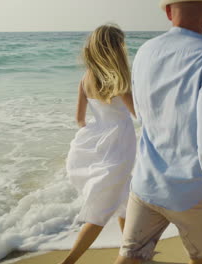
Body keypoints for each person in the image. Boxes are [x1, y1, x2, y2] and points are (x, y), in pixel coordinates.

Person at [114, 1, 202, 264]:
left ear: (169, 11)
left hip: (146, 185)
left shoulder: (144, 52)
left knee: (128, 259)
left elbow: (142, 113)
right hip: (194, 194)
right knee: (199, 260)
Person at [59, 24, 137, 264]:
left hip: (100, 143)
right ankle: (68, 261)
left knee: (124, 198)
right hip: (120, 144)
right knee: (101, 212)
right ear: (116, 49)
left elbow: (79, 119)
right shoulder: (119, 79)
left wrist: (96, 136)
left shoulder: (85, 79)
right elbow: (139, 113)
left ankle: (131, 253)